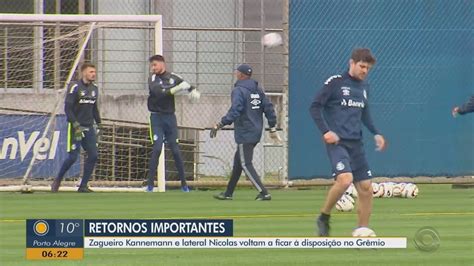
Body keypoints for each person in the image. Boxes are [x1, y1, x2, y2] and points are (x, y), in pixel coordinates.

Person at [309, 48, 386, 236]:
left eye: (368, 68)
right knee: (345, 180)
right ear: (351, 63)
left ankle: (362, 229)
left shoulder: (364, 87)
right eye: (362, 66)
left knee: (366, 188)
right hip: (338, 143)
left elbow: (365, 113)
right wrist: (326, 131)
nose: (365, 71)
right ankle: (324, 216)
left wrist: (376, 133)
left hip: (356, 144)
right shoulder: (335, 83)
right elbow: (315, 107)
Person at [211, 64, 281, 201]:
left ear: (241, 75)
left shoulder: (239, 90)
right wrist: (272, 127)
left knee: (245, 163)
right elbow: (269, 109)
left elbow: (235, 110)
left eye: (237, 72)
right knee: (238, 163)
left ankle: (264, 192)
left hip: (245, 131)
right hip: (256, 130)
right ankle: (228, 193)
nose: (235, 74)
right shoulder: (258, 90)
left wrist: (221, 124)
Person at [146, 55, 200, 192]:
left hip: (170, 118)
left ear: (162, 64)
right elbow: (159, 93)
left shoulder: (173, 77)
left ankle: (184, 184)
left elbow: (186, 85)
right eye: (152, 65)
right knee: (157, 149)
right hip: (156, 118)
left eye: (155, 65)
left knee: (175, 150)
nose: (153, 68)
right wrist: (176, 89)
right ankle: (150, 185)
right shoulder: (153, 78)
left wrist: (193, 90)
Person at [51, 63, 101, 193]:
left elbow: (94, 108)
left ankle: (83, 185)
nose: (93, 74)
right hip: (76, 127)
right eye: (91, 72)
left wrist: (99, 124)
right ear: (84, 73)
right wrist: (75, 124)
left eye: (94, 72)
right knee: (73, 157)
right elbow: (68, 108)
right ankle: (58, 180)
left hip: (89, 127)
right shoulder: (74, 87)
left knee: (93, 155)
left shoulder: (95, 89)